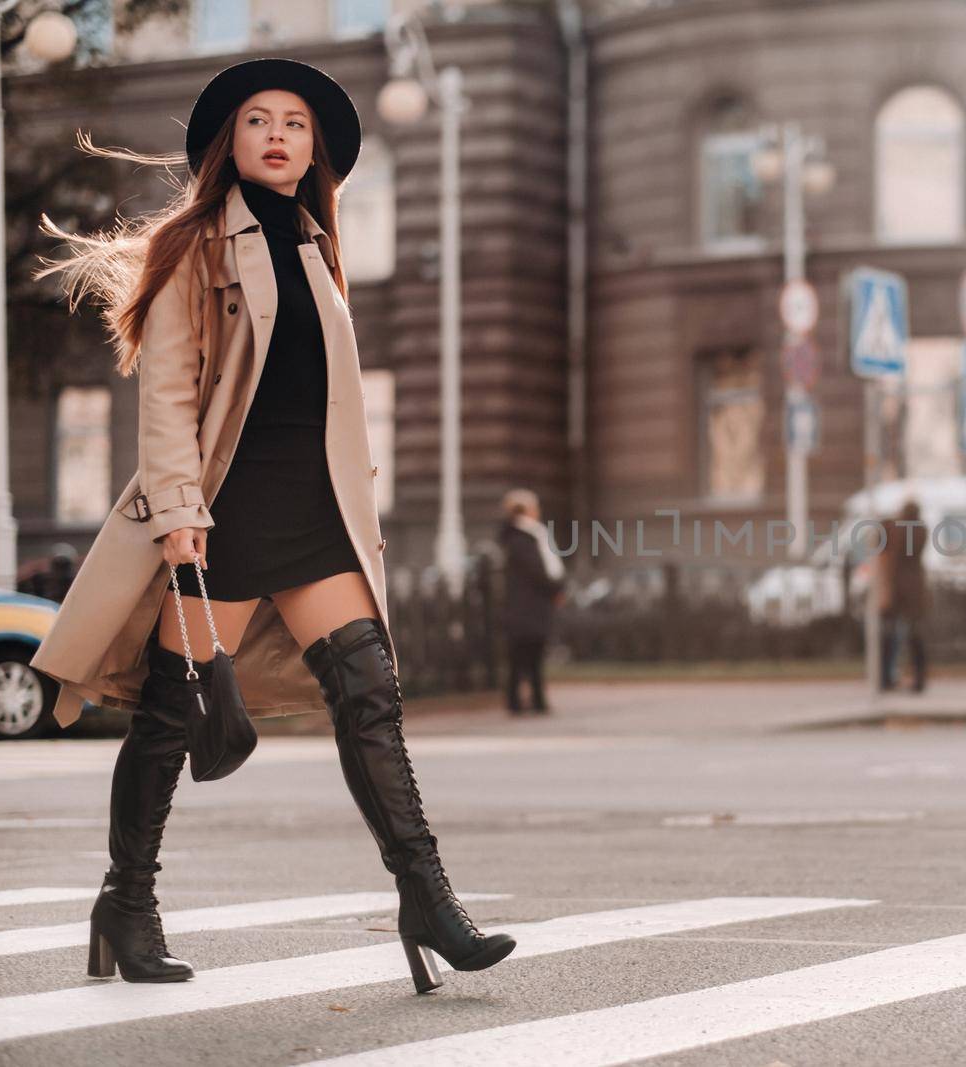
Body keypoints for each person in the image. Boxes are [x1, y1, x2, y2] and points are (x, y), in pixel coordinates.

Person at [28, 58, 512, 994]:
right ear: (230, 143)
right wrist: (177, 514)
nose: (280, 134)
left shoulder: (316, 245)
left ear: (314, 149)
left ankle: (427, 896)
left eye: (296, 122)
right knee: (170, 717)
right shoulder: (198, 244)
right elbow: (168, 392)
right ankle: (126, 902)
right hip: (226, 507)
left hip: (317, 509)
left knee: (371, 692)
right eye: (259, 120)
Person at [496, 489, 565, 715]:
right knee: (522, 656)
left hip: (529, 607)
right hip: (526, 608)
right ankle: (522, 701)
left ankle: (533, 699)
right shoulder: (522, 539)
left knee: (531, 654)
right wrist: (555, 587)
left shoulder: (525, 536)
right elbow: (537, 570)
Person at [878, 499, 929, 693]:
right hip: (915, 590)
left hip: (899, 590)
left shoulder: (900, 531)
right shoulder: (921, 531)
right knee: (915, 637)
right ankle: (919, 678)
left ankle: (885, 678)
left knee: (890, 635)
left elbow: (892, 559)